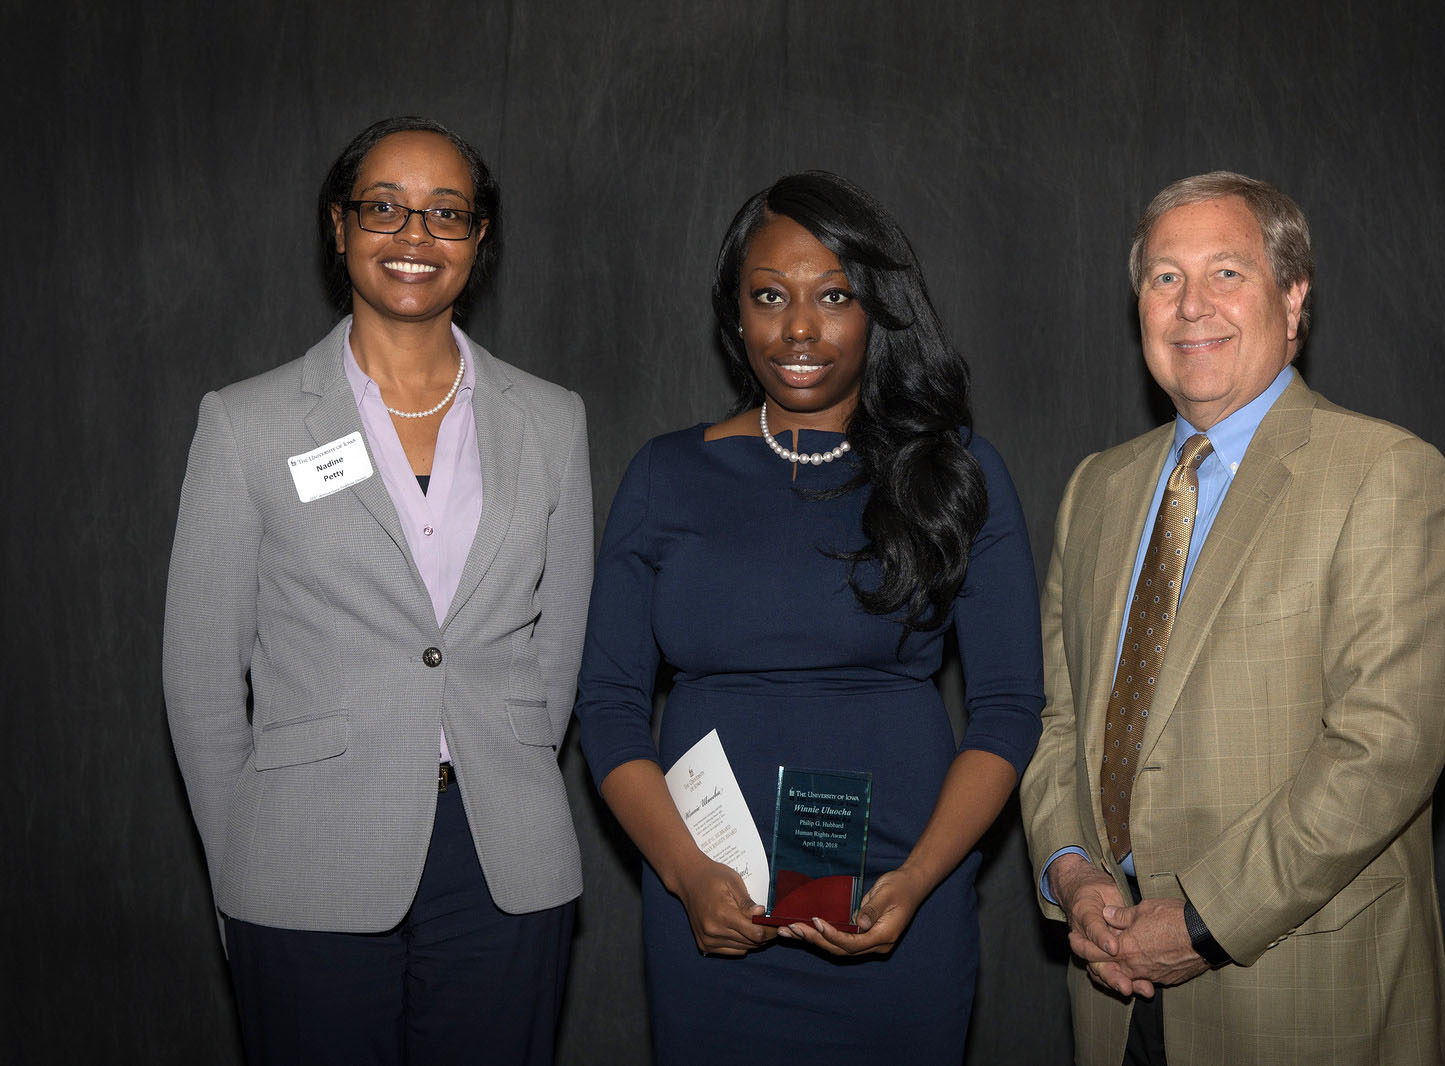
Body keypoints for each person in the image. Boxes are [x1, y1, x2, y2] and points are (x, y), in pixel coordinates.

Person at [575, 171, 1043, 1064]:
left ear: (878, 311)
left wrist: (918, 880)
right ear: (735, 314)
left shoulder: (954, 473)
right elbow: (606, 705)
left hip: (905, 898)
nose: (798, 328)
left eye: (834, 296)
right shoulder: (665, 475)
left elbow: (1011, 707)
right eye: (769, 297)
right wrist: (686, 874)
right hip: (712, 906)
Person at [1020, 171, 1445, 1065]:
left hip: (1300, 994)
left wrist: (1199, 921)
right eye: (1164, 278)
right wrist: (1069, 872)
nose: (1192, 307)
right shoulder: (1096, 490)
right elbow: (1061, 723)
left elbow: (1385, 753)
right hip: (1111, 994)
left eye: (1227, 273)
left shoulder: (1387, 475)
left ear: (1293, 296)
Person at [163, 116, 591, 1065]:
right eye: (384, 209)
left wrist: (508, 761)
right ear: (340, 226)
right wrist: (241, 867)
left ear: (480, 239)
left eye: (446, 214)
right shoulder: (245, 423)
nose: (413, 237)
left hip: (502, 860)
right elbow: (200, 680)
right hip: (305, 859)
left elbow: (556, 656)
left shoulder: (553, 422)